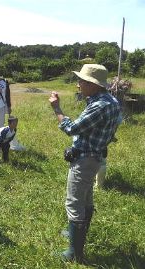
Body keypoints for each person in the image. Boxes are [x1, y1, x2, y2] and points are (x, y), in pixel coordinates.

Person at [49, 64, 121, 262]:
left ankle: (74, 253)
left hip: (85, 159)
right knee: (86, 199)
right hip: (95, 156)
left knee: (74, 202)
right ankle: (76, 235)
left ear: (93, 84)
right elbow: (113, 126)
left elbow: (72, 128)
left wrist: (56, 107)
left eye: (82, 80)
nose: (78, 83)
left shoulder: (100, 105)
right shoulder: (110, 101)